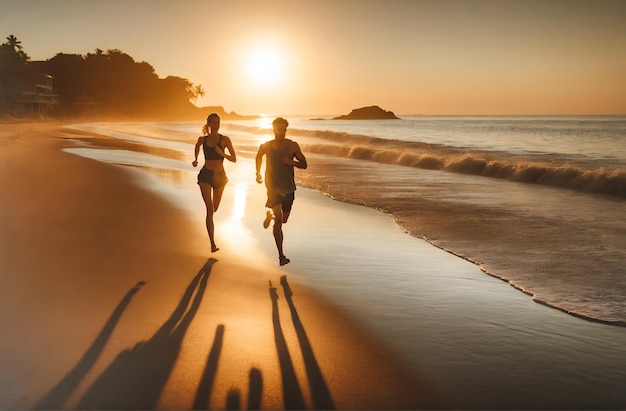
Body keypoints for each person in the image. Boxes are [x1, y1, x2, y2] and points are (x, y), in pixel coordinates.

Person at [255, 117, 308, 266]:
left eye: (284, 129)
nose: (282, 132)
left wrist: (292, 162)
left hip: (289, 188)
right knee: (279, 221)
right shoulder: (266, 146)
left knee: (283, 220)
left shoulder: (292, 146)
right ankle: (281, 256)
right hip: (272, 187)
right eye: (279, 129)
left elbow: (305, 164)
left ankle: (270, 216)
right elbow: (258, 156)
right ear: (273, 129)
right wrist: (257, 173)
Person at [193, 113, 237, 252]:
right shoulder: (203, 139)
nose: (216, 125)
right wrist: (195, 159)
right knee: (210, 209)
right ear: (209, 124)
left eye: (218, 122)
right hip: (206, 175)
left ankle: (212, 240)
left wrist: (221, 153)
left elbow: (234, 159)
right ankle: (212, 243)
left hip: (220, 177)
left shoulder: (225, 140)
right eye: (213, 123)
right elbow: (197, 145)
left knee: (215, 208)